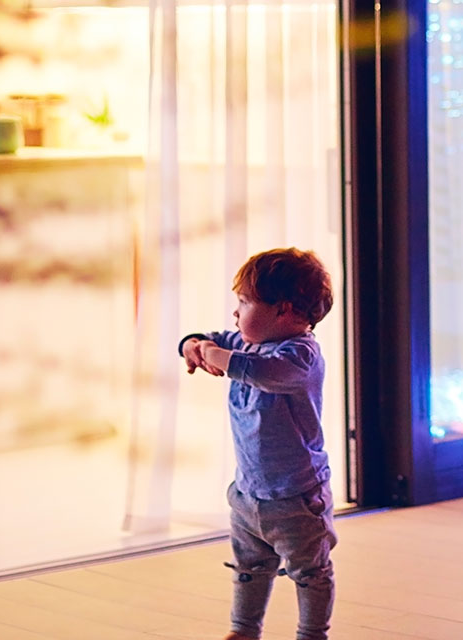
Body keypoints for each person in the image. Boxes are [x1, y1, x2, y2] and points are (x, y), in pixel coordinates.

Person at [179, 248, 337, 640]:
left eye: (245, 302)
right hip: (249, 493)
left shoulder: (300, 355)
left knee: (310, 572)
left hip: (298, 497)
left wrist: (220, 356)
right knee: (249, 566)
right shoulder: (247, 342)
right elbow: (212, 339)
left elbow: (266, 372)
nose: (236, 313)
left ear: (283, 310)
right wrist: (193, 344)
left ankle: (312, 633)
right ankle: (244, 630)